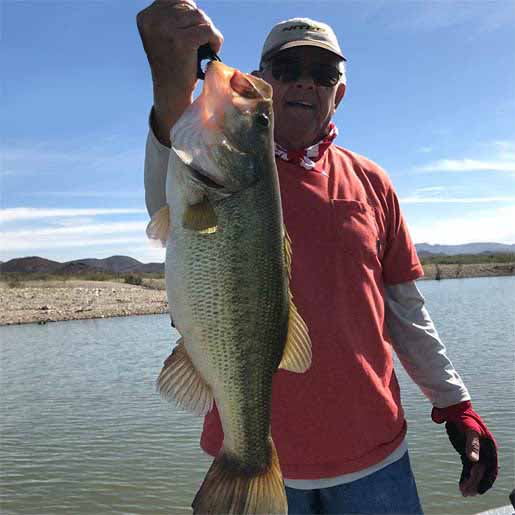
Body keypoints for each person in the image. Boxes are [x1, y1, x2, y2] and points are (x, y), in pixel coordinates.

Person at [136, 2, 498, 513]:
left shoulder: (373, 182)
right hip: (255, 451)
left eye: (322, 73)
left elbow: (405, 310)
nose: (305, 83)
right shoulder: (206, 169)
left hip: (375, 453)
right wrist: (170, 82)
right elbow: (167, 180)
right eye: (287, 70)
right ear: (264, 80)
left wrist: (454, 402)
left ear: (339, 93)